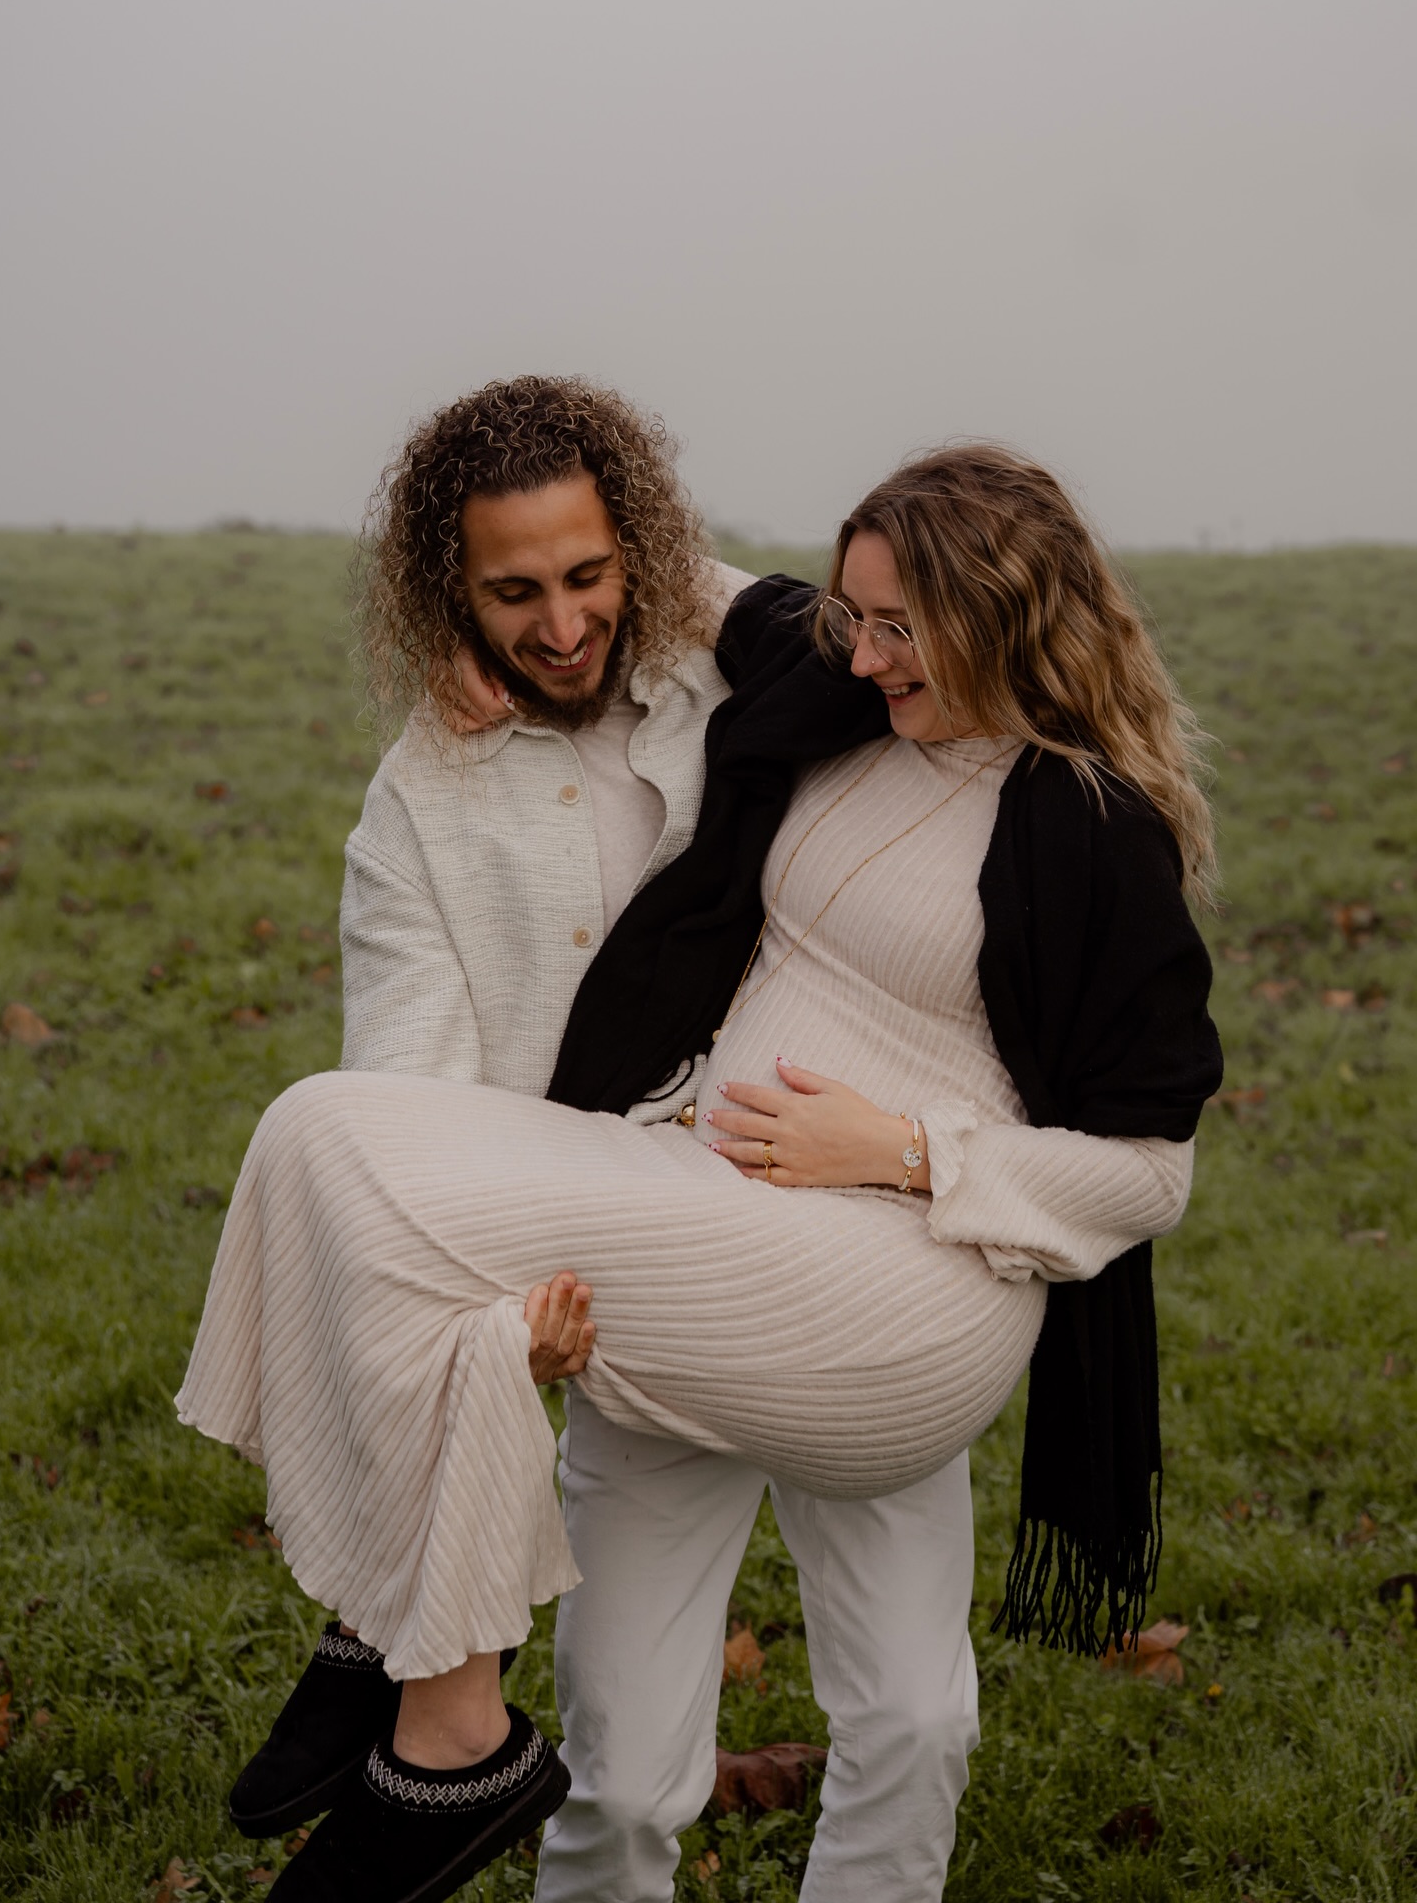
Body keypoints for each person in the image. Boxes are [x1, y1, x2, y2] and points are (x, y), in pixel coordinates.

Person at [178, 438, 1222, 1903]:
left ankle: (411, 1683)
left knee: (914, 1720)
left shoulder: (1089, 826)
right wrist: (455, 647)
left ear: (998, 613)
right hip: (694, 1234)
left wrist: (910, 1151)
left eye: (894, 626)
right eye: (848, 616)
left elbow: (1149, 1172)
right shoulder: (839, 698)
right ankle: (415, 1678)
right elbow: (669, 580)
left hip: (886, 1288)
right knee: (623, 1752)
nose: (856, 653)